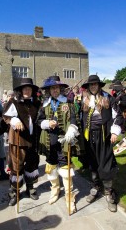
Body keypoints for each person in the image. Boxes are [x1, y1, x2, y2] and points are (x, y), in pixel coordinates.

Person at [37, 76, 84, 214]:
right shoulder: (44, 104)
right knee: (51, 169)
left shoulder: (68, 103)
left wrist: (72, 129)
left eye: (57, 88)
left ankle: (69, 198)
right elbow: (38, 121)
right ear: (49, 90)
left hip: (64, 143)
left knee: (66, 171)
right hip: (49, 142)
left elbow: (75, 119)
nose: (55, 90)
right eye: (52, 88)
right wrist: (46, 123)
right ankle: (55, 191)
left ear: (61, 89)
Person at [81, 75, 123, 212]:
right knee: (93, 162)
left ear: (99, 85)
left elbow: (118, 115)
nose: (93, 86)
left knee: (106, 163)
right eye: (90, 85)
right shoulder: (84, 99)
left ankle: (109, 192)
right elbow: (79, 116)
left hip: (104, 135)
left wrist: (115, 131)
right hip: (89, 136)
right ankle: (95, 187)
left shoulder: (108, 97)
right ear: (88, 87)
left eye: (95, 84)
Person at [3, 78, 41, 206]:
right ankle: (14, 191)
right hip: (18, 140)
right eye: (24, 88)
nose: (27, 91)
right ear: (20, 90)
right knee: (16, 167)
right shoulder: (14, 102)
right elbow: (6, 116)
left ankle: (30, 188)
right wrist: (14, 120)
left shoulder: (36, 103)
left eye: (29, 88)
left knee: (31, 164)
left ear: (32, 91)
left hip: (32, 140)